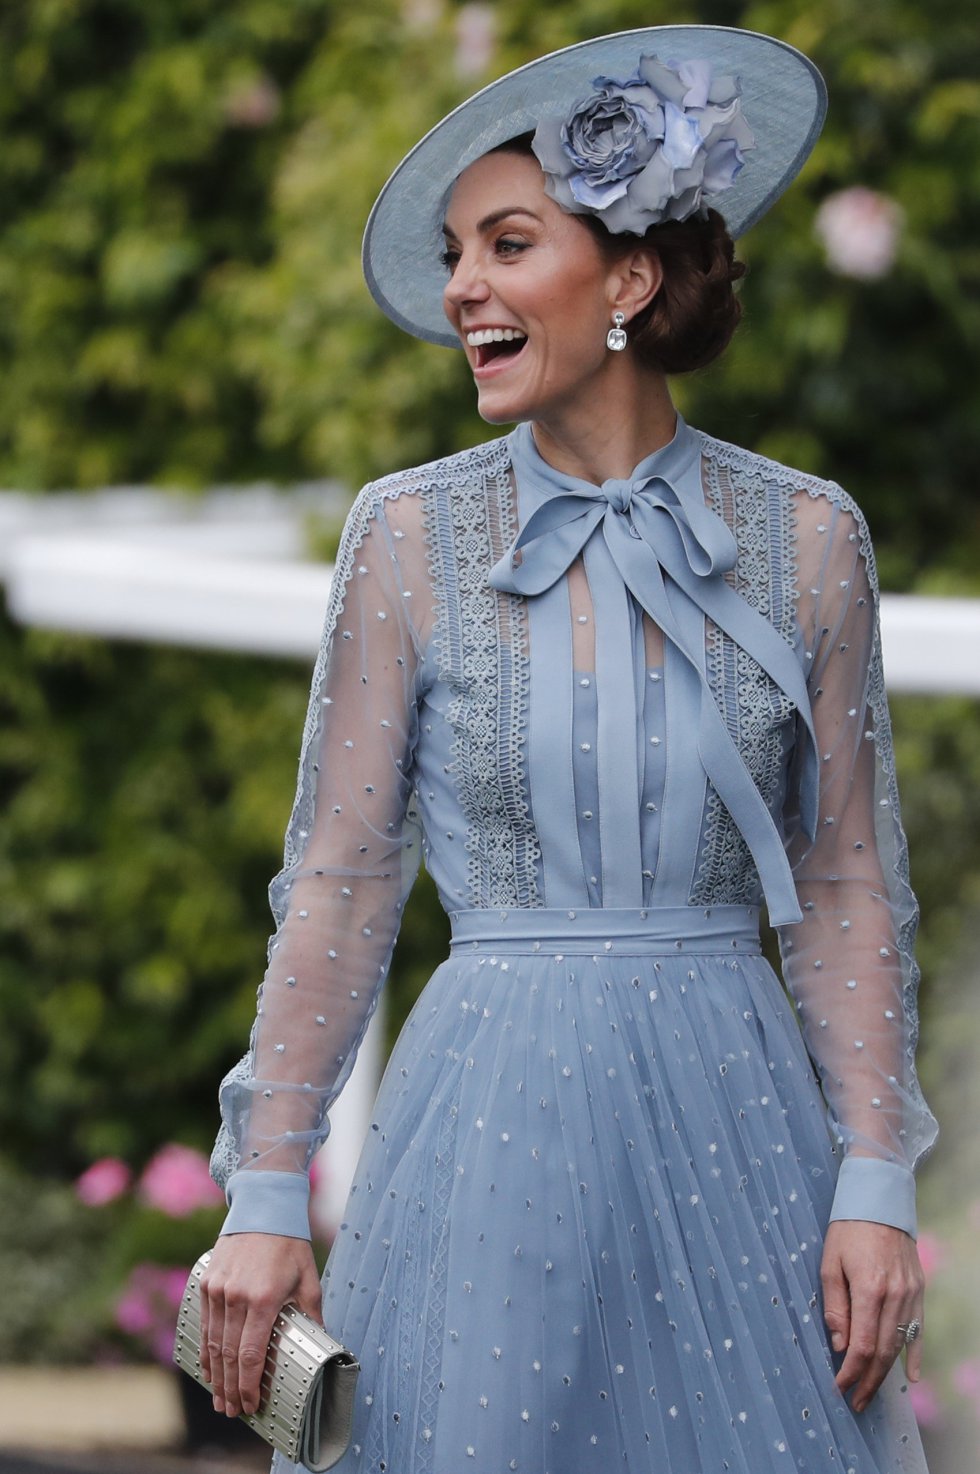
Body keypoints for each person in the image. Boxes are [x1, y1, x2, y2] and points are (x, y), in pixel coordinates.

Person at [198, 25, 938, 1474]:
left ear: (633, 278)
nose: (462, 285)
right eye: (457, 249)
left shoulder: (809, 538)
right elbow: (340, 884)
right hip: (485, 1140)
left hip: (746, 1138)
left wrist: (875, 1174)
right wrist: (268, 1184)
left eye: (507, 241)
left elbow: (849, 885)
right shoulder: (405, 538)